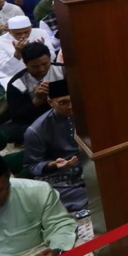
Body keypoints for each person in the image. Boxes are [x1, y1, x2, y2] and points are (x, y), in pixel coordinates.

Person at [23, 79, 87, 212]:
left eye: (73, 100)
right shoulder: (36, 130)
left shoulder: (87, 112)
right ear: (50, 102)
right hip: (60, 172)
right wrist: (54, 164)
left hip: (88, 162)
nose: (70, 106)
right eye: (63, 102)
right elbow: (32, 166)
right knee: (45, 193)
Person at [6, 42, 65, 144]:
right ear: (25, 63)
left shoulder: (64, 71)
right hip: (37, 120)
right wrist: (37, 100)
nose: (41, 69)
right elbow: (16, 116)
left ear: (50, 58)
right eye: (35, 66)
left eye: (45, 64)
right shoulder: (17, 83)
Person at [0, 15, 49, 89]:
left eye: (26, 32)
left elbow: (52, 57)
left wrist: (42, 50)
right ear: (9, 31)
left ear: (31, 27)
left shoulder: (41, 33)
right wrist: (17, 54)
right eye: (18, 33)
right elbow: (5, 69)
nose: (23, 36)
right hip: (13, 75)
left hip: (41, 71)